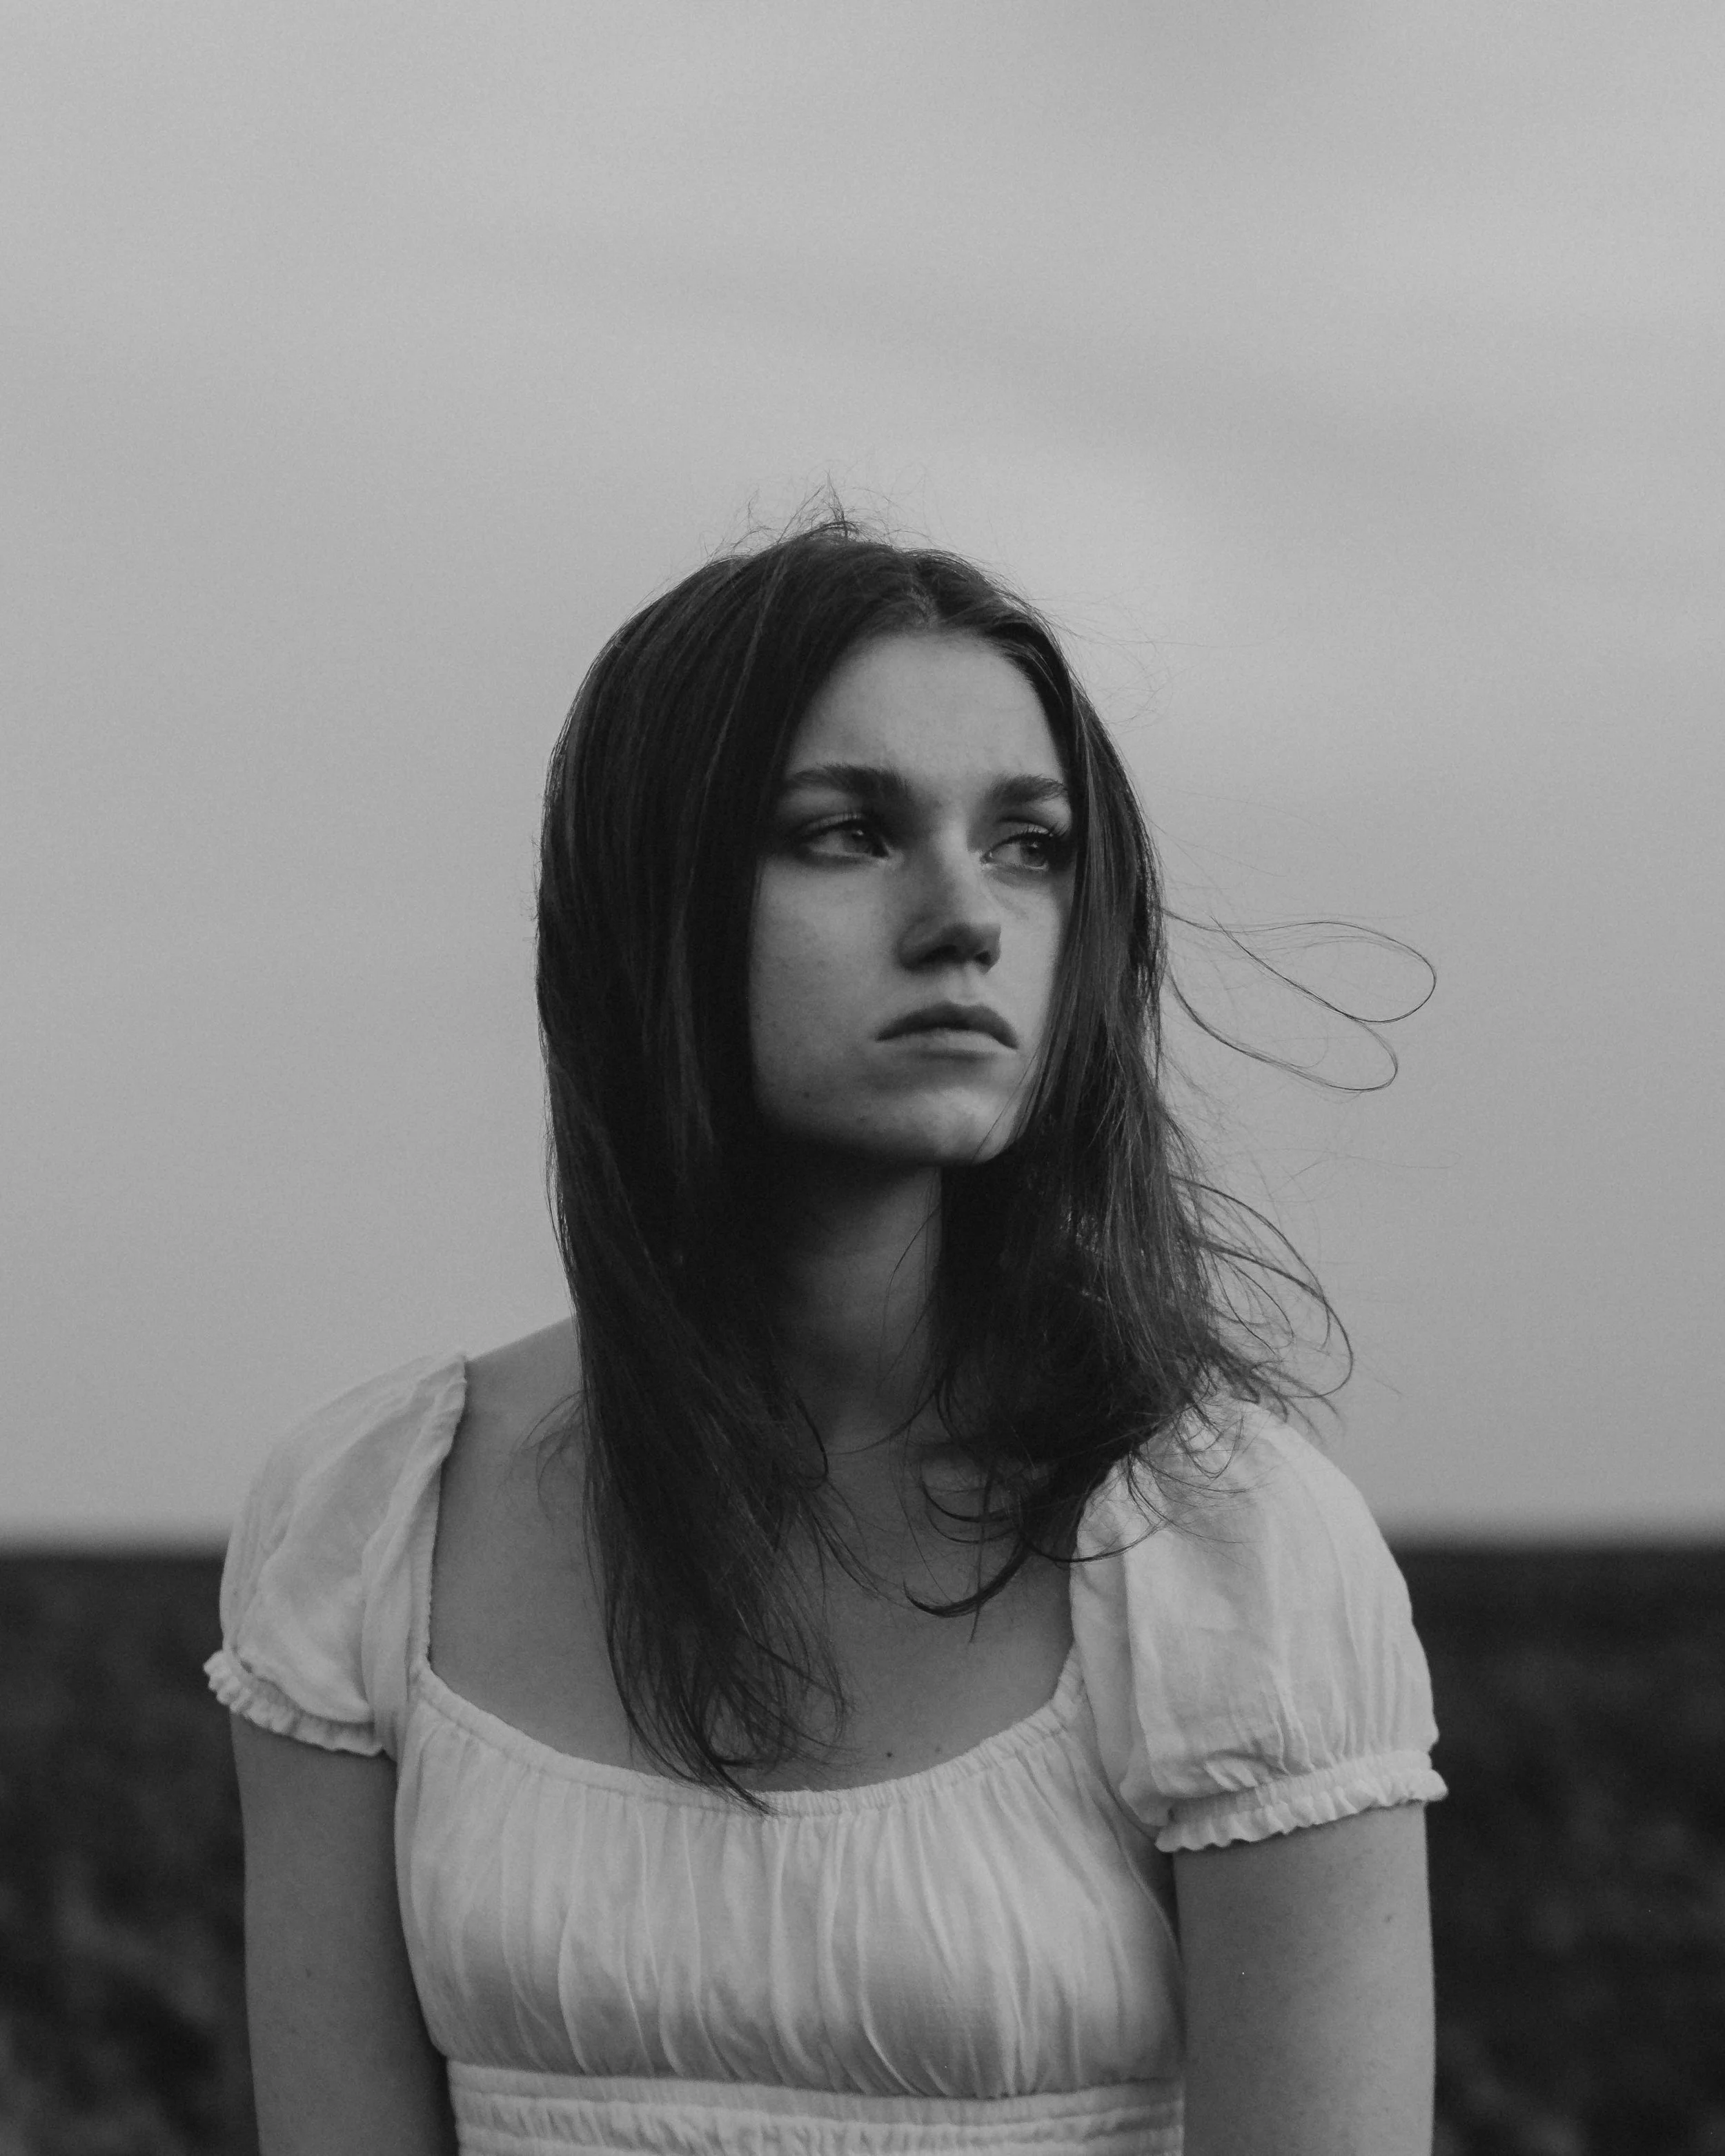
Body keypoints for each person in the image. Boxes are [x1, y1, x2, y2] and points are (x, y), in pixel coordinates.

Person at [208, 511, 1446, 2155]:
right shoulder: (370, 1525)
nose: (965, 916)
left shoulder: (1227, 1555)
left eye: (1027, 842)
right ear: (650, 896)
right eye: (845, 831)